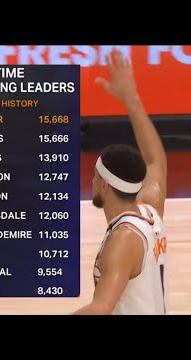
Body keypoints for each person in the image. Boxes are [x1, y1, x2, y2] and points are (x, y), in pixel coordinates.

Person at [73, 49, 167, 315]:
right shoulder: (150, 210)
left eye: (94, 176)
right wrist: (131, 100)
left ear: (104, 185)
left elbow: (101, 308)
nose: (90, 181)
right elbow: (155, 161)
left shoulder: (123, 239)